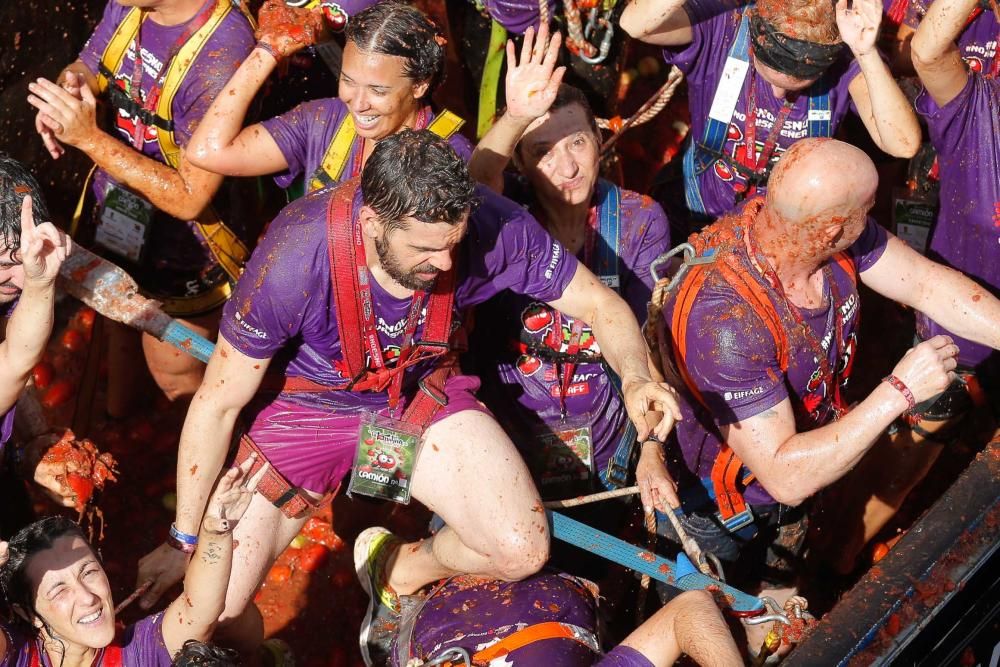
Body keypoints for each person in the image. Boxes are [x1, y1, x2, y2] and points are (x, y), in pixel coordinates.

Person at [134, 130, 683, 662]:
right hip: (308, 413)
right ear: (372, 223)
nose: (445, 264)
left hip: (414, 402)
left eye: (454, 243)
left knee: (521, 548)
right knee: (213, 615)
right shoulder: (297, 251)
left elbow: (599, 305)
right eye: (425, 249)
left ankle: (393, 568)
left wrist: (635, 377)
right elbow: (217, 402)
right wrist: (183, 536)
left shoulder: (491, 226)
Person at [646, 137, 1000, 644]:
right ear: (831, 226)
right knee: (718, 630)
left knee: (781, 613)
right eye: (869, 208)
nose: (874, 216)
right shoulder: (725, 320)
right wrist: (899, 390)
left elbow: (927, 285)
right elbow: (786, 473)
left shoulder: (823, 235)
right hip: (720, 507)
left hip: (802, 472)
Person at [468, 26, 678, 510]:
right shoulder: (504, 216)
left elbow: (648, 338)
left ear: (599, 138)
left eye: (577, 143)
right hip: (511, 438)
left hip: (608, 433)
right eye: (543, 152)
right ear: (520, 161)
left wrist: (651, 449)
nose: (568, 167)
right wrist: (515, 116)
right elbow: (474, 184)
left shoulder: (637, 220)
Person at [26, 0, 256, 416]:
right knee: (117, 325)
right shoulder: (132, 5)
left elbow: (191, 196)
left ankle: (189, 464)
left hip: (189, 254)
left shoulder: (222, 53)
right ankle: (121, 419)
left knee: (176, 375)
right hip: (119, 218)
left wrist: (89, 138)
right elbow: (90, 64)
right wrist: (70, 90)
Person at [620, 0, 921, 234]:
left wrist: (866, 54)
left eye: (797, 85)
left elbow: (903, 144)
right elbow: (635, 24)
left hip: (779, 240)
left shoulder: (845, 58)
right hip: (691, 216)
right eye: (770, 77)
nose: (778, 94)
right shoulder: (725, 24)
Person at [186, 0, 473, 199]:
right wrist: (267, 50)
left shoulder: (452, 155)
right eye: (348, 81)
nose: (358, 103)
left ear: (420, 85)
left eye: (378, 90)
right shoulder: (322, 120)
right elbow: (207, 152)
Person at [0, 455, 265, 666]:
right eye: (59, 590)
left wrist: (215, 534)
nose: (87, 597)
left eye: (88, 572)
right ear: (27, 613)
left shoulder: (140, 652)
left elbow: (199, 611)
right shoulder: (15, 656)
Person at [376, 559, 742, 667]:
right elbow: (690, 609)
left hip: (434, 597)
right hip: (556, 586)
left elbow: (690, 608)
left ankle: (407, 561)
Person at [0, 157, 78, 525]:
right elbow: (13, 362)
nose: (20, 275)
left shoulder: (13, 282)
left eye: (25, 254)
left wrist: (34, 446)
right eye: (4, 263)